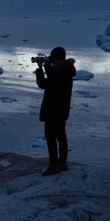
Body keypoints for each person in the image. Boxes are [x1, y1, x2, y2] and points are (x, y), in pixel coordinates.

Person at [35, 47, 76, 176]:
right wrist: (48, 67)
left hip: (52, 110)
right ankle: (63, 163)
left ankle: (53, 166)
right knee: (61, 136)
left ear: (56, 58)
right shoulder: (67, 70)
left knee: (51, 137)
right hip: (62, 110)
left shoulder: (59, 72)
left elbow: (44, 84)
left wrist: (40, 69)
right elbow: (54, 81)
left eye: (52, 58)